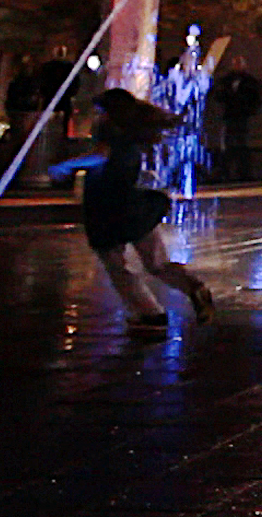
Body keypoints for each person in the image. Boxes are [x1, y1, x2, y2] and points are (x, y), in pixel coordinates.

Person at [50, 89, 215, 338]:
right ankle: (193, 286)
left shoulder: (110, 130)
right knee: (157, 262)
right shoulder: (134, 133)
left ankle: (150, 313)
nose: (97, 116)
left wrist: (67, 165)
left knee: (116, 264)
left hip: (107, 206)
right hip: (135, 203)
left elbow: (100, 157)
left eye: (100, 110)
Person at [212, 57, 262, 182]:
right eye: (235, 64)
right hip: (230, 115)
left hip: (243, 115)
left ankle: (243, 172)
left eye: (239, 64)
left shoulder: (249, 81)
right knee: (229, 144)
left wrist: (249, 110)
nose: (237, 66)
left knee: (242, 143)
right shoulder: (226, 80)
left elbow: (256, 98)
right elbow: (219, 95)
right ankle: (227, 172)